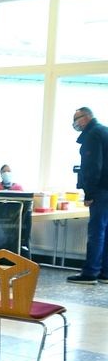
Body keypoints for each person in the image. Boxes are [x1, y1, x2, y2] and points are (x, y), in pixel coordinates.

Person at [69, 106, 108, 284]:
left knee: (96, 231)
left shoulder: (92, 135)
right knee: (105, 231)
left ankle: (90, 272)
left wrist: (89, 193)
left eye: (78, 118)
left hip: (100, 190)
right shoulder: (104, 131)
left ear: (88, 117)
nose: (75, 122)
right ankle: (105, 272)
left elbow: (92, 166)